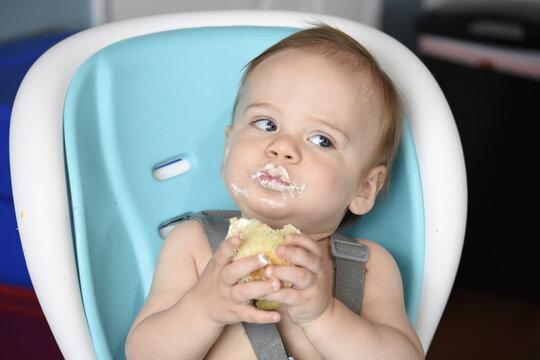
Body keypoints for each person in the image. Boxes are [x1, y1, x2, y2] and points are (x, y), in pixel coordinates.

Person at [125, 24, 424, 360]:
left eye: (321, 139)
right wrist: (202, 309)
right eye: (266, 124)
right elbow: (142, 353)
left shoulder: (369, 268)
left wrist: (325, 316)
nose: (282, 147)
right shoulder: (194, 244)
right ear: (227, 151)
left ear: (364, 188)